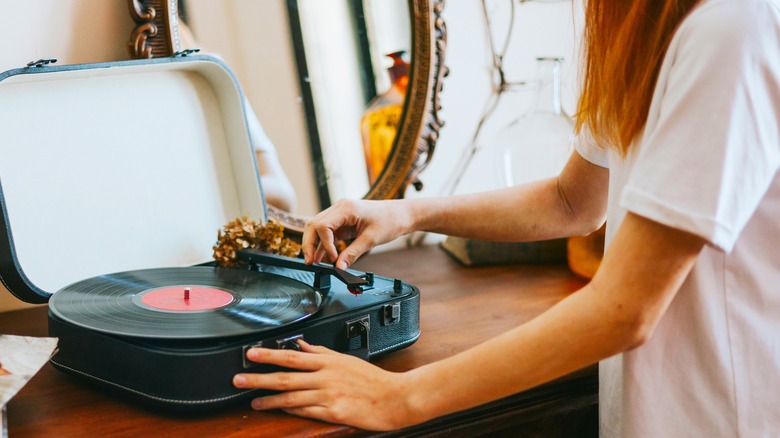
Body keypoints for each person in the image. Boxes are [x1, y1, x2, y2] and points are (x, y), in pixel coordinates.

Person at [231, 0, 780, 435]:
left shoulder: (731, 28)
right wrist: (406, 212)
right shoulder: (645, 29)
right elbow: (573, 202)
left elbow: (624, 309)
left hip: (725, 415)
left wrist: (400, 397)